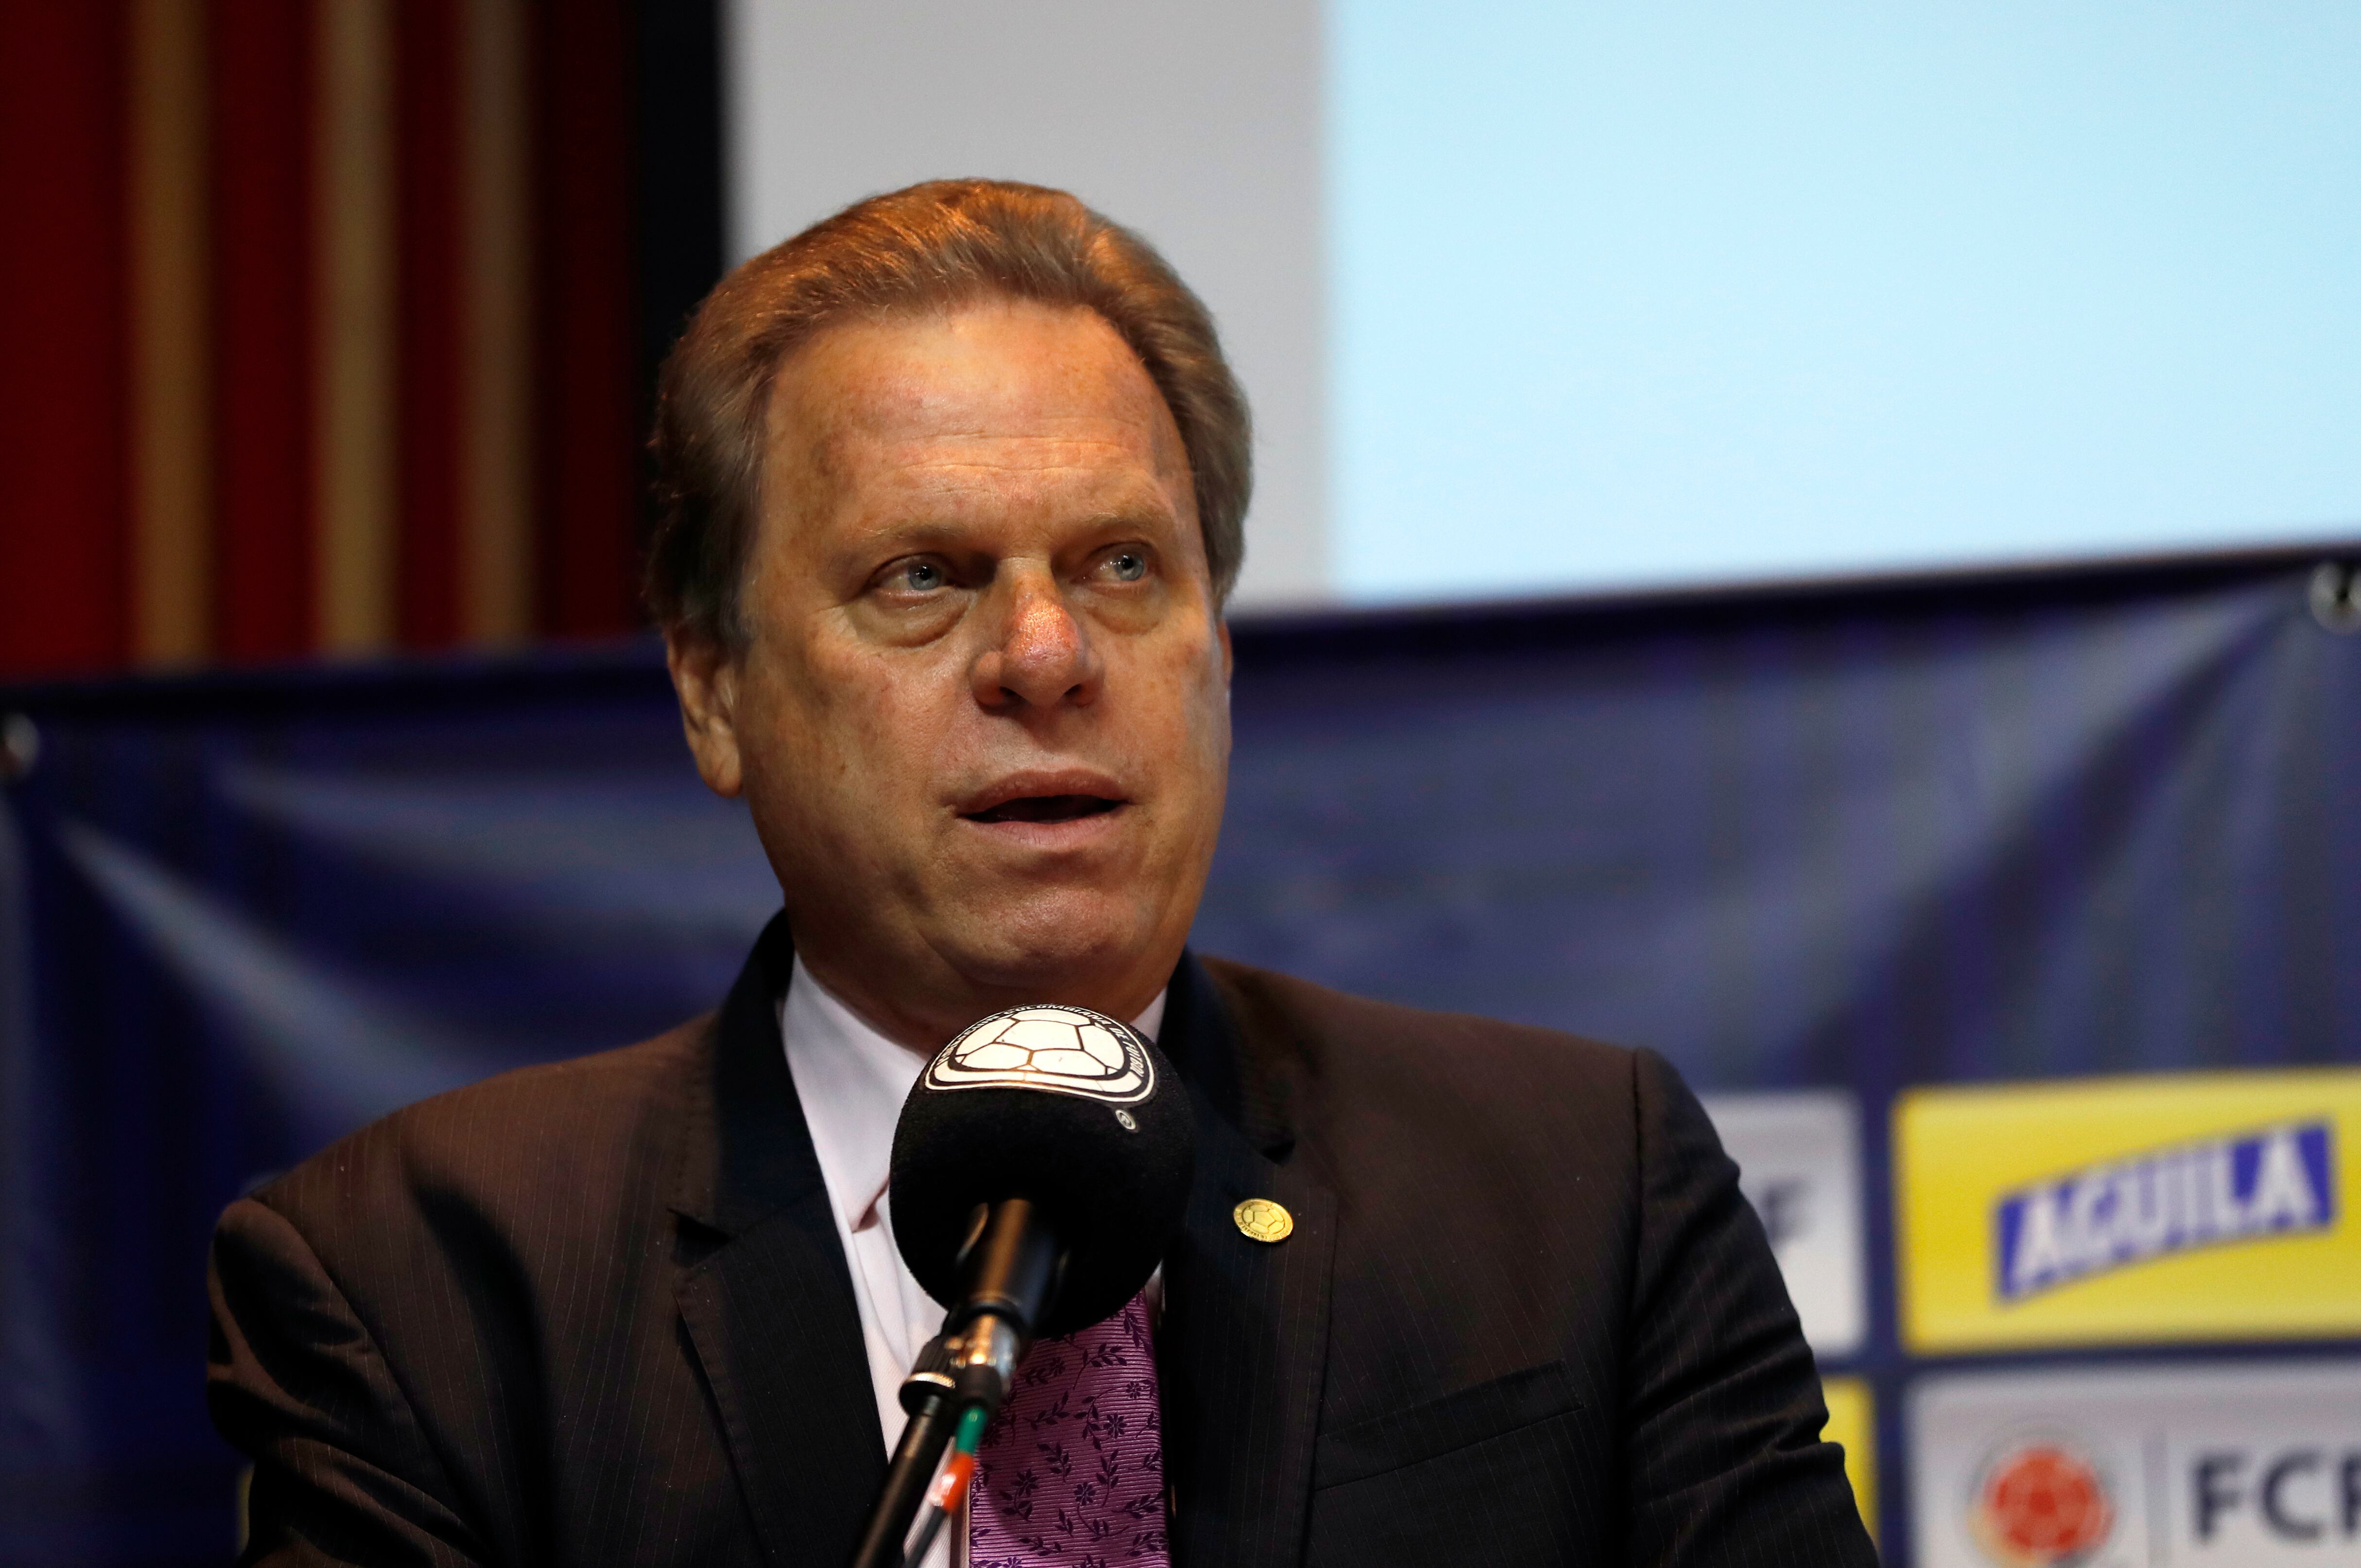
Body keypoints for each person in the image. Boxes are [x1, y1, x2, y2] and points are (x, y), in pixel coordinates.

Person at [208, 179, 1875, 1568]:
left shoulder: (1575, 1192)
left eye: (1123, 564)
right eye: (924, 576)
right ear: (714, 686)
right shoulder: (427, 1283)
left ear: (1216, 644)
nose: (1047, 653)